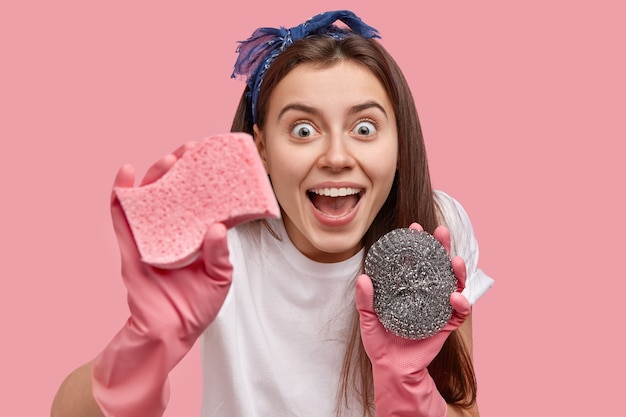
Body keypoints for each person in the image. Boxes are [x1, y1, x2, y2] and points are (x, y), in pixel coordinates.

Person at [51, 10, 493, 417]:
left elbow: (465, 409)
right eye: (303, 130)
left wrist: (411, 390)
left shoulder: (433, 229)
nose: (337, 156)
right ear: (261, 147)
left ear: (398, 144)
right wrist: (146, 344)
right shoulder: (219, 244)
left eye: (364, 128)